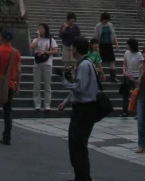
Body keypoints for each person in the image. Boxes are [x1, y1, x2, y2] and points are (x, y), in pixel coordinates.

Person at [58, 36, 98, 181]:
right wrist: (66, 101)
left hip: (84, 109)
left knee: (78, 145)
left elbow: (79, 87)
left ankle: (83, 178)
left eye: (72, 47)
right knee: (75, 144)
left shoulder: (84, 65)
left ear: (75, 49)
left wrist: (64, 81)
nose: (71, 50)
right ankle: (80, 176)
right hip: (82, 108)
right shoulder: (86, 64)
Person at [30, 23, 58, 112]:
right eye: (39, 28)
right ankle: (37, 105)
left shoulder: (51, 40)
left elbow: (55, 51)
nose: (40, 30)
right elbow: (32, 46)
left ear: (45, 29)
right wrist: (38, 38)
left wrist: (45, 52)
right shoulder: (36, 39)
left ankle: (47, 105)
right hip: (38, 64)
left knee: (47, 85)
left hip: (47, 63)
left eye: (41, 28)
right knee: (36, 85)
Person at [93, 12, 120, 82]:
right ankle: (99, 75)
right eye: (105, 20)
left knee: (112, 61)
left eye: (107, 20)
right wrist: (96, 47)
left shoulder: (110, 25)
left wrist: (117, 44)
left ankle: (113, 77)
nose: (106, 21)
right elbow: (95, 37)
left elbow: (114, 34)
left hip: (109, 45)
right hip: (101, 45)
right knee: (100, 61)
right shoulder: (98, 26)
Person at [121, 37, 141, 117]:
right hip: (127, 76)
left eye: (128, 44)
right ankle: (125, 111)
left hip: (136, 77)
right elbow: (124, 64)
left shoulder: (139, 55)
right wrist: (124, 72)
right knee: (125, 95)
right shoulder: (126, 53)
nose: (127, 46)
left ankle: (138, 112)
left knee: (137, 95)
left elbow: (141, 67)